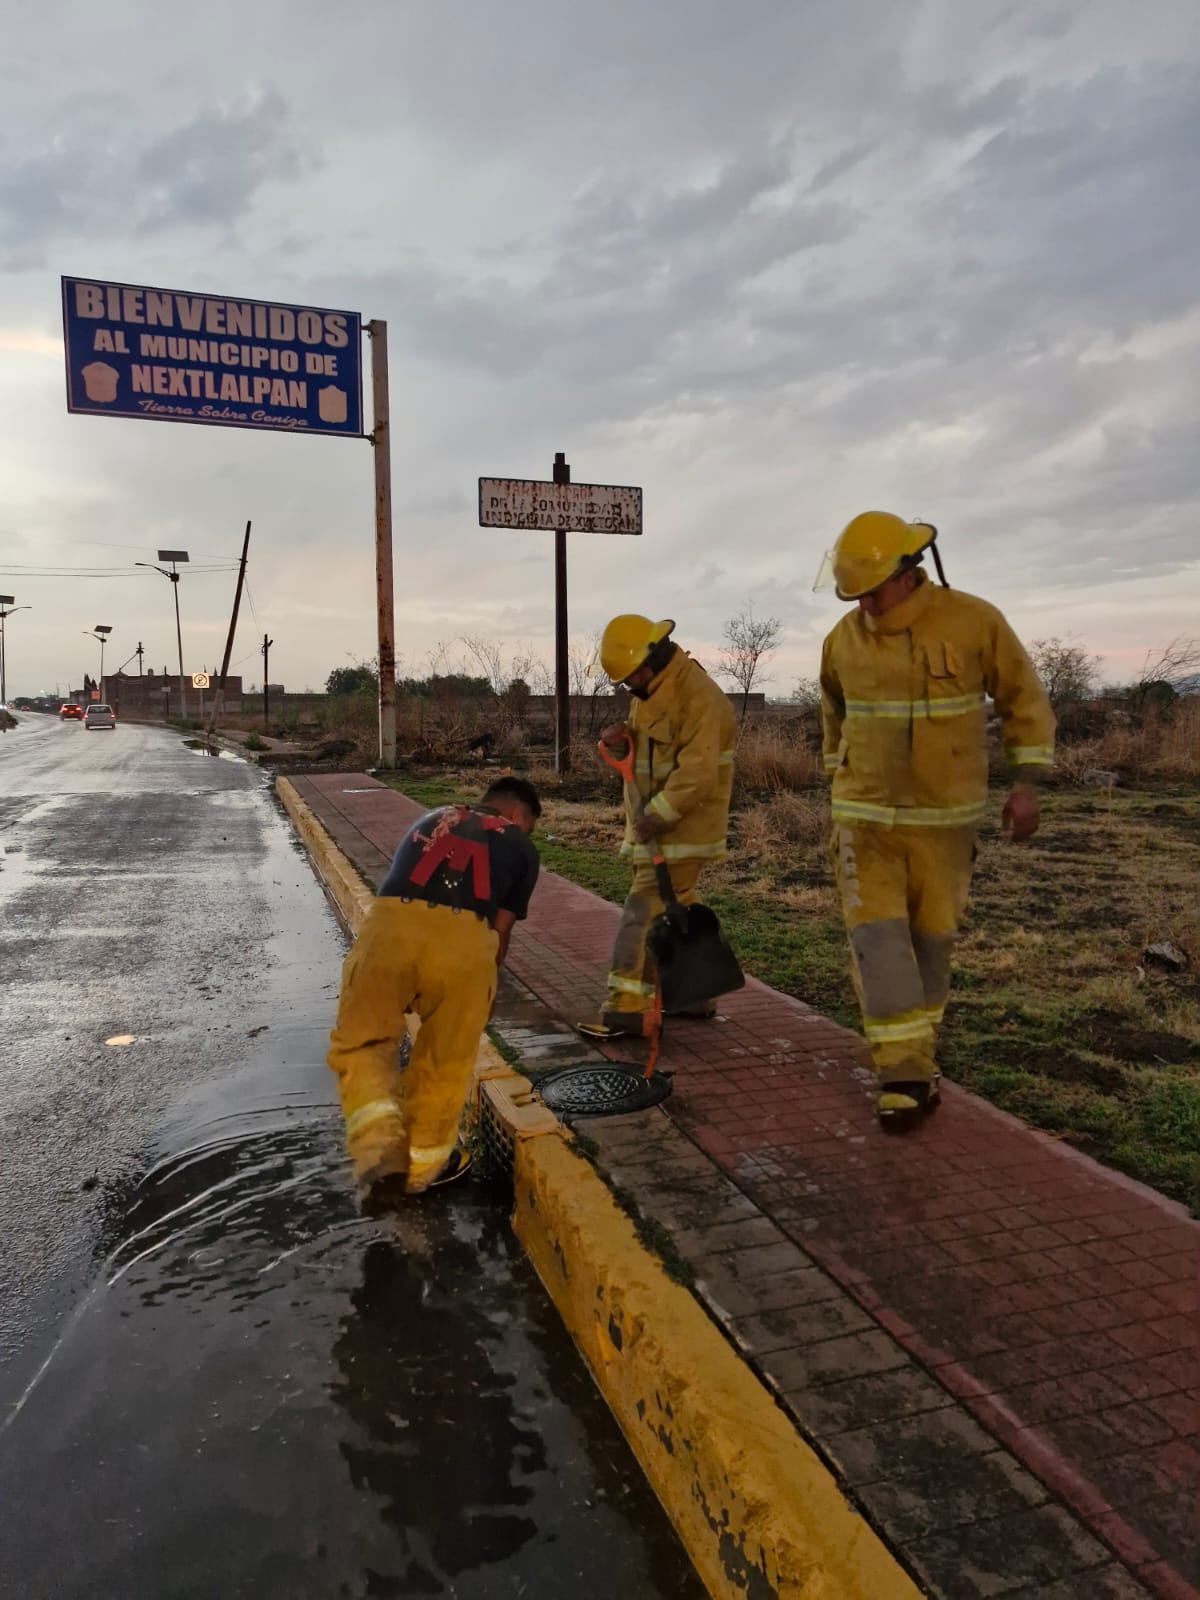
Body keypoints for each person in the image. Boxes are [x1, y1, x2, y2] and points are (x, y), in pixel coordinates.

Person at [816, 511, 1055, 1128]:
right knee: (877, 939)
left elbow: (1024, 700)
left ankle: (918, 1056)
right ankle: (903, 1074)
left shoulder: (975, 621)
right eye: (856, 594)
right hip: (863, 819)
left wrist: (1026, 784)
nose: (866, 604)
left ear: (908, 571)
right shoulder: (843, 638)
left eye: (873, 590)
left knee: (930, 942)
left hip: (945, 822)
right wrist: (837, 774)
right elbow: (833, 710)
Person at [327, 776, 541, 1196]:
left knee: (365, 1045)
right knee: (443, 1062)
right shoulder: (521, 847)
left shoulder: (428, 819)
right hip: (461, 945)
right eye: (527, 824)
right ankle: (423, 1166)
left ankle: (376, 1152)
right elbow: (499, 932)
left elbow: (403, 878)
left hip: (388, 929)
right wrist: (483, 989)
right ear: (517, 814)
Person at [578, 615, 736, 1040]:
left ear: (651, 659)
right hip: (652, 825)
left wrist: (657, 815)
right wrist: (618, 740)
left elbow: (698, 775)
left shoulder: (701, 700)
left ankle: (627, 1007)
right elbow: (642, 748)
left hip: (683, 830)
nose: (628, 686)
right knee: (679, 907)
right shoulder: (651, 692)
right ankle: (696, 993)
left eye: (630, 676)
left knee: (642, 909)